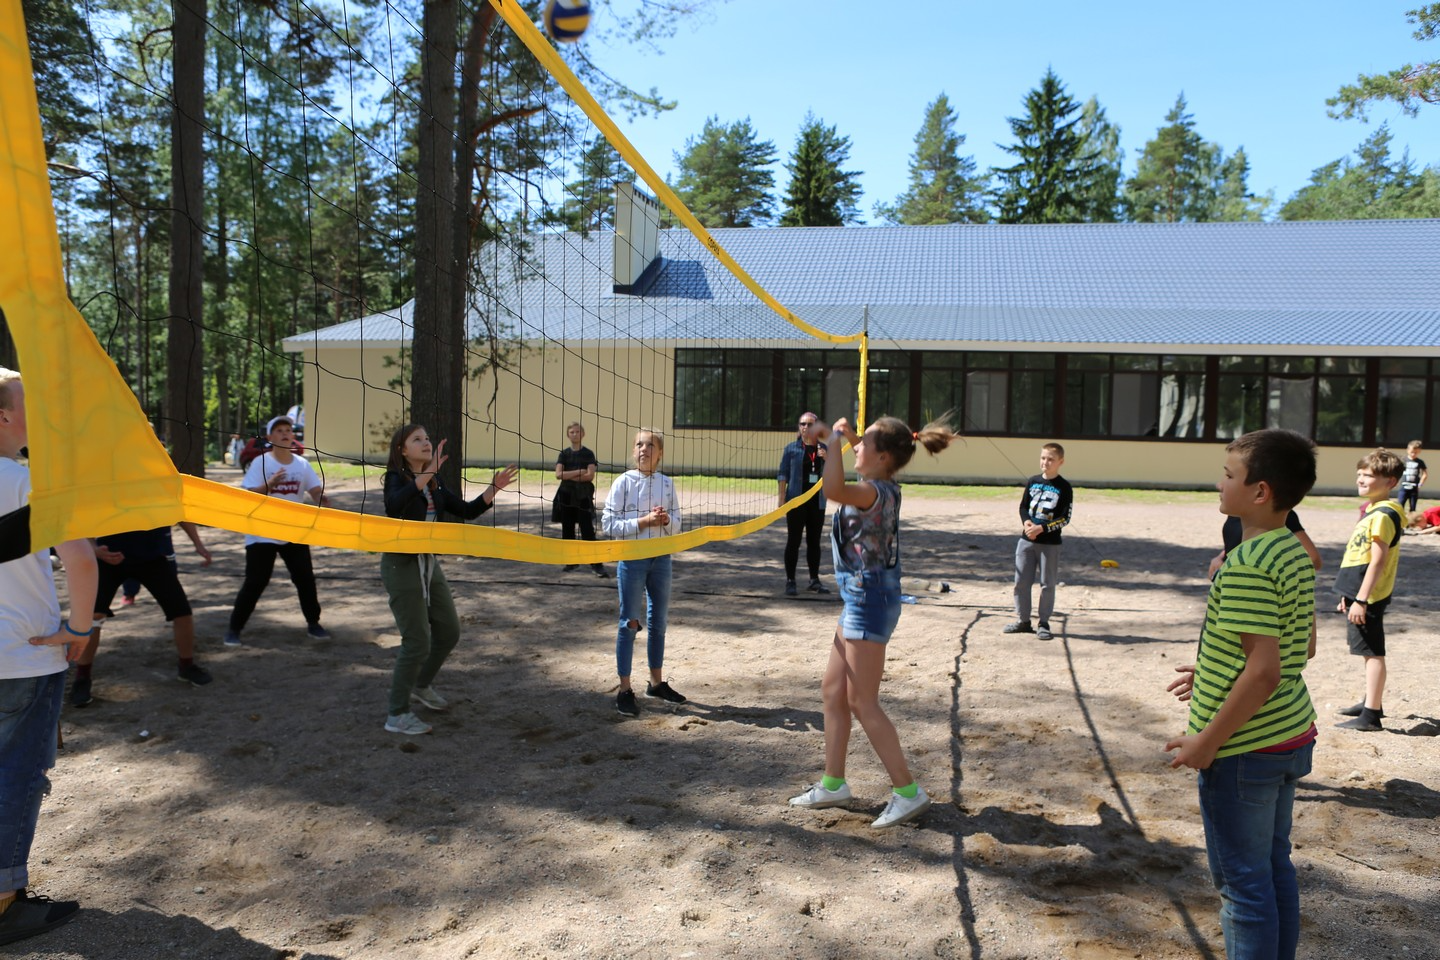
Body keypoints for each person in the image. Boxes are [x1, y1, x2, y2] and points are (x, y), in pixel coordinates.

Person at [1164, 428, 1319, 960]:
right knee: (1273, 870)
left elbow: (1265, 670)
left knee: (1243, 888)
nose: (1219, 482)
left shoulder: (1247, 565)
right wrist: (1212, 667)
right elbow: (1302, 644)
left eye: (1229, 475)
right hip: (1286, 736)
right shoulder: (1291, 552)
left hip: (1243, 750)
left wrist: (1207, 741)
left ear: (1260, 492)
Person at [789, 414, 959, 829]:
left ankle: (907, 792)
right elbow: (847, 474)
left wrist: (830, 440)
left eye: (862, 445)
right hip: (858, 597)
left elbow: (831, 489)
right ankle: (833, 783)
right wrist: (844, 437)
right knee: (833, 692)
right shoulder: (877, 484)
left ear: (882, 457)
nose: (855, 449)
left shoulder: (875, 491)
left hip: (870, 599)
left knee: (862, 701)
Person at [0, 367, 97, 946]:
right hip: (23, 657)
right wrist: (79, 630)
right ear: (4, 417)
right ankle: (5, 902)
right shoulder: (23, 480)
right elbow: (80, 560)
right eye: (29, 402)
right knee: (16, 774)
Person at [380, 425, 517, 735]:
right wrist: (428, 474)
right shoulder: (395, 478)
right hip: (400, 566)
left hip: (428, 562)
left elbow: (467, 511)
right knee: (416, 641)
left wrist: (493, 488)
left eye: (427, 438)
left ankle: (420, 684)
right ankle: (396, 714)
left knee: (449, 631)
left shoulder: (435, 483)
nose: (426, 443)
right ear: (402, 450)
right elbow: (394, 505)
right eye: (417, 439)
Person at [68, 523, 214, 707]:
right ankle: (82, 677)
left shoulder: (160, 493)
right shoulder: (101, 493)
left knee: (182, 612)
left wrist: (199, 544)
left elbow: (182, 513)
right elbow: (84, 517)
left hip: (152, 557)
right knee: (94, 616)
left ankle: (187, 666)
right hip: (109, 557)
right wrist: (94, 549)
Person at [224, 415, 330, 646]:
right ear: (270, 437)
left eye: (288, 430)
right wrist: (269, 485)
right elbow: (248, 495)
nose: (285, 433)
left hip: (293, 531)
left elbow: (314, 491)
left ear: (293, 436)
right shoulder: (262, 463)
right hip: (262, 532)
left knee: (305, 579)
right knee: (256, 581)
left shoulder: (302, 464)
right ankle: (234, 629)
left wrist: (322, 498)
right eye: (279, 430)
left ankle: (314, 624)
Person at [602, 429, 683, 717]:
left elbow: (678, 528)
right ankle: (624, 689)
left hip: (661, 558)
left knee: (658, 622)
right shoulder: (624, 482)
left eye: (650, 445)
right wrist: (643, 522)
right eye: (639, 444)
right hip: (632, 558)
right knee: (629, 623)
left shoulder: (667, 483)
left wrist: (665, 520)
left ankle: (656, 683)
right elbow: (608, 524)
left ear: (659, 454)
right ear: (633, 450)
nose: (644, 449)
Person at [1334, 448, 1406, 733]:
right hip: (1359, 592)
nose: (1360, 480)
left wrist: (1361, 599)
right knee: (1366, 652)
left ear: (1390, 481)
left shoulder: (1384, 516)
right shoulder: (1373, 511)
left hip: (1370, 596)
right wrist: (1348, 593)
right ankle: (1370, 700)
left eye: (1368, 476)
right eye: (1359, 475)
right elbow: (1358, 556)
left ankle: (1371, 714)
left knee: (1373, 651)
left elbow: (1378, 560)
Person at [1003, 442, 1073, 641]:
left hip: (1050, 544)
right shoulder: (1033, 481)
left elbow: (1064, 518)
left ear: (1060, 462)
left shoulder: (1064, 487)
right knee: (1021, 582)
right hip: (1026, 541)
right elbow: (1023, 507)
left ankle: (1044, 622)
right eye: (1043, 458)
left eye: (1050, 459)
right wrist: (1026, 523)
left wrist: (1041, 528)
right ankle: (1023, 620)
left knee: (1047, 584)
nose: (1046, 462)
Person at [777, 411, 829, 597]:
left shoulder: (824, 449)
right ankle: (790, 581)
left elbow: (833, 476)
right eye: (802, 424)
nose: (805, 427)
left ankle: (814, 580)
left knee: (814, 542)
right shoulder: (791, 449)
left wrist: (827, 459)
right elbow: (783, 474)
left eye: (809, 424)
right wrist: (781, 499)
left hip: (817, 503)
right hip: (796, 501)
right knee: (794, 541)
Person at [553, 422, 607, 579]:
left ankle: (596, 564)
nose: (575, 434)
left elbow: (590, 475)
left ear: (583, 434)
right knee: (567, 529)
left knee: (587, 529)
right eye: (572, 432)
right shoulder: (563, 454)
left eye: (577, 432)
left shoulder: (588, 454)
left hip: (583, 495)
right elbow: (558, 475)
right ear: (568, 435)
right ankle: (571, 562)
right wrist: (579, 472)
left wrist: (569, 474)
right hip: (566, 495)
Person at [1208, 511, 1323, 580]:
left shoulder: (1279, 515)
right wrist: (1221, 558)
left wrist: (1258, 575)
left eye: (1230, 476)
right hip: (1226, 592)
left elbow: (1313, 559)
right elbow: (1237, 543)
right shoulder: (1235, 513)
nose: (1220, 485)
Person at [1394, 440, 1426, 512]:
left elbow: (1425, 474)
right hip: (1403, 487)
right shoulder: (1403, 460)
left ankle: (1411, 521)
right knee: (1400, 506)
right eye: (1412, 452)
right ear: (1407, 450)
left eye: (1416, 453)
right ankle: (1400, 521)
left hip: (1414, 488)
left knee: (1412, 507)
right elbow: (1396, 471)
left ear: (1419, 451)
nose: (1413, 454)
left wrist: (1420, 484)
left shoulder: (1420, 462)